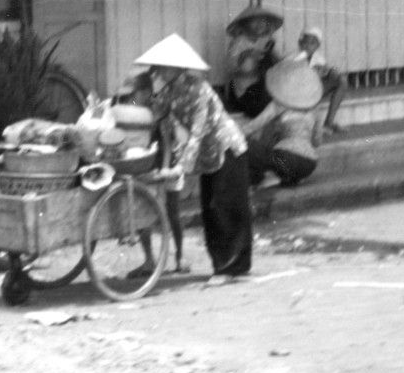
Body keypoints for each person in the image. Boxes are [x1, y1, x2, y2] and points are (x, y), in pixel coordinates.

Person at [138, 33, 254, 282]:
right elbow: (156, 117)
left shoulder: (200, 89)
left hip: (227, 149)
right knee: (210, 211)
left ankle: (230, 269)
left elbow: (197, 132)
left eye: (164, 67)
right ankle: (224, 266)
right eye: (158, 67)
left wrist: (181, 167)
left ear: (177, 67)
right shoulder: (168, 91)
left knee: (225, 210)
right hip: (208, 156)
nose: (160, 71)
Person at [114, 70, 187, 276]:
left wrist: (165, 170)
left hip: (169, 161)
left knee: (172, 211)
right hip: (145, 163)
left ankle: (180, 257)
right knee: (141, 213)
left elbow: (167, 143)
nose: (131, 98)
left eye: (135, 93)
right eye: (129, 95)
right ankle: (149, 260)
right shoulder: (133, 107)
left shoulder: (159, 110)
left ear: (146, 92)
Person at [242, 57, 323, 189]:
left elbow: (252, 127)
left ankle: (268, 176)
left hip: (284, 161)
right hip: (309, 165)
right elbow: (317, 142)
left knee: (246, 146)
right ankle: (281, 177)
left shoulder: (279, 104)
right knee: (273, 158)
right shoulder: (316, 109)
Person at [223, 4, 284, 119]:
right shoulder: (239, 42)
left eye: (262, 21)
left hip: (264, 86)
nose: (259, 24)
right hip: (243, 90)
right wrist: (246, 54)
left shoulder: (267, 41)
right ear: (245, 24)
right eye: (254, 21)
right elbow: (230, 67)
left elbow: (277, 62)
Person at [292, 27, 345, 133]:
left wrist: (330, 72)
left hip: (313, 91)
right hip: (297, 94)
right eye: (305, 42)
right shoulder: (293, 57)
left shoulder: (319, 59)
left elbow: (324, 74)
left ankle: (329, 123)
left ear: (317, 46)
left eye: (312, 43)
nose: (308, 46)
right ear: (300, 43)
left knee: (341, 81)